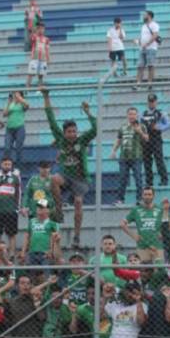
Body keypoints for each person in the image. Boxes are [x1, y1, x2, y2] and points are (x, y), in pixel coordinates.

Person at [44, 90, 98, 249]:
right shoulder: (60, 139)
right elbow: (51, 119)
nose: (72, 134)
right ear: (64, 132)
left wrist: (88, 112)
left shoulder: (82, 140)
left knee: (78, 202)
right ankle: (59, 209)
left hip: (81, 179)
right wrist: (46, 96)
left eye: (74, 131)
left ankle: (76, 235)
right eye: (69, 132)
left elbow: (95, 128)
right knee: (53, 179)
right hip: (66, 176)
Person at [137, 11, 162, 90]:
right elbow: (142, 36)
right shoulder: (143, 26)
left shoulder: (154, 25)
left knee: (150, 66)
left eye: (145, 15)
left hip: (151, 48)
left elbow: (155, 35)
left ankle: (150, 83)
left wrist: (147, 44)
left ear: (149, 16)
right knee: (140, 66)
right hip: (142, 48)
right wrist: (139, 42)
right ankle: (138, 84)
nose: (143, 16)